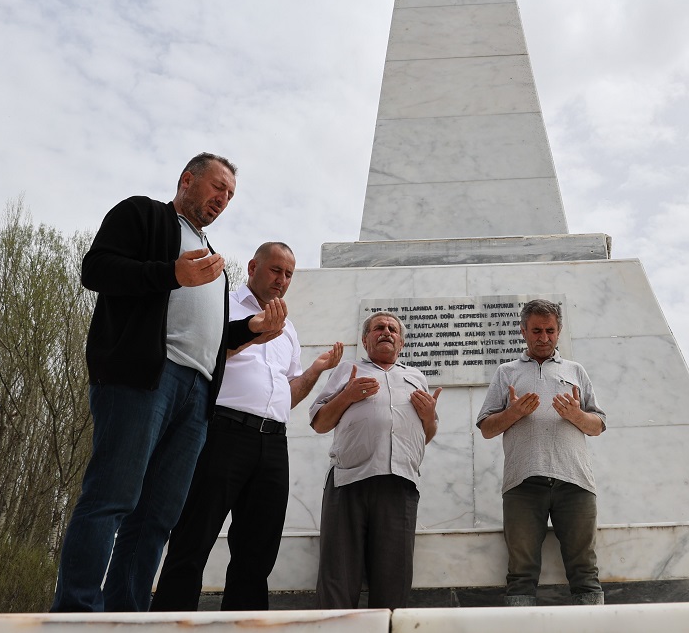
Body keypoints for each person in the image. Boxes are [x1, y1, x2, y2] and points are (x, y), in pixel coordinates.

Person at [50, 153, 287, 613]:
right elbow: (94, 270)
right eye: (218, 187)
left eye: (230, 196)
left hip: (197, 397)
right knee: (112, 497)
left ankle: (128, 615)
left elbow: (213, 337)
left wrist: (252, 330)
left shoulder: (213, 260)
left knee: (158, 517)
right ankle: (76, 613)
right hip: (145, 380)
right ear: (187, 179)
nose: (223, 199)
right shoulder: (143, 214)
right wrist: (171, 273)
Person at [151, 242, 342, 611]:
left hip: (273, 444)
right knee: (194, 537)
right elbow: (207, 354)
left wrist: (316, 370)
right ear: (253, 266)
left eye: (288, 274)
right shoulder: (222, 305)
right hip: (222, 433)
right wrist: (254, 330)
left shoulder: (289, 330)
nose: (282, 280)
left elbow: (288, 393)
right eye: (275, 270)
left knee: (258, 551)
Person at [476, 299, 607, 607]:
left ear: (559, 331)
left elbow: (598, 425)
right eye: (536, 330)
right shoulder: (506, 372)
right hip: (523, 484)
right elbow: (487, 428)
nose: (544, 337)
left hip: (574, 482)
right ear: (523, 331)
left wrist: (576, 415)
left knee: (585, 572)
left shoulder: (576, 371)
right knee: (520, 575)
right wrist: (514, 413)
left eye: (550, 330)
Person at [308, 312, 441, 609]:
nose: (386, 332)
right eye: (378, 328)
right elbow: (319, 423)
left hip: (399, 483)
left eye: (392, 329)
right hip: (349, 480)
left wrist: (429, 416)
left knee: (393, 578)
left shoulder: (416, 377)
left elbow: (424, 434)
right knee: (338, 575)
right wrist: (347, 396)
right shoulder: (347, 370)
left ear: (401, 342)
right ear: (366, 339)